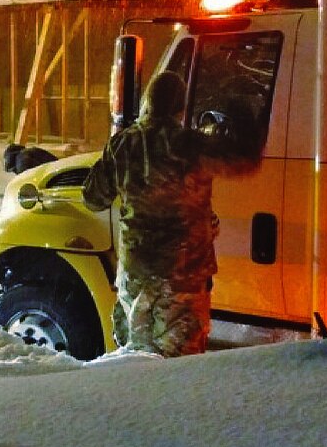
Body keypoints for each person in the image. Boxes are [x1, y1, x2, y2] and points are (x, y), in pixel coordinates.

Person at [82, 71, 229, 357]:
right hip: (185, 275)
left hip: (138, 272)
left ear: (147, 101)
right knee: (180, 363)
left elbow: (93, 198)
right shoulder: (196, 146)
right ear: (180, 107)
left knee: (136, 356)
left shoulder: (123, 144)